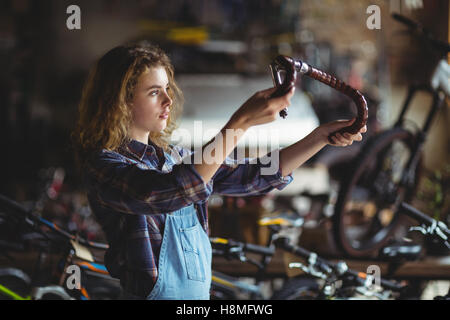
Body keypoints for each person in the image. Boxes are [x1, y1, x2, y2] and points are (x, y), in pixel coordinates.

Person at [72, 42, 366, 300]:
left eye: (167, 89)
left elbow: (255, 176)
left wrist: (319, 137)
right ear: (121, 102)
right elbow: (168, 190)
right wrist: (240, 123)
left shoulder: (178, 158)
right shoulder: (104, 166)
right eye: (153, 92)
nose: (168, 100)